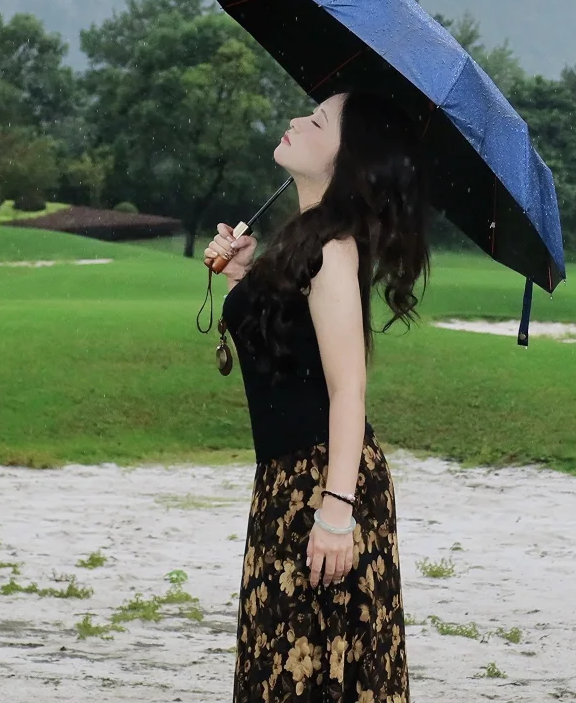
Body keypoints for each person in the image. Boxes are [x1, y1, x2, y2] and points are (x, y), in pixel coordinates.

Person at [205, 91, 428, 702]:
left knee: (318, 675)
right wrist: (244, 275)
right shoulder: (305, 240)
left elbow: (347, 388)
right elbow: (287, 347)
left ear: (344, 159)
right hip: (285, 484)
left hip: (323, 484)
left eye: (319, 120)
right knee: (283, 671)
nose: (299, 120)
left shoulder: (332, 250)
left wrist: (335, 512)